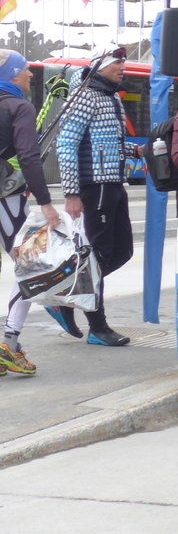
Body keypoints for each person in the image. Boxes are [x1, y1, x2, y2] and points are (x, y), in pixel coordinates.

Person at [53, 45, 142, 347]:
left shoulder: (110, 97)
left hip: (113, 184)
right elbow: (65, 146)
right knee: (99, 255)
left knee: (122, 252)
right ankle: (98, 327)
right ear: (100, 66)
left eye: (123, 62)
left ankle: (66, 296)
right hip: (95, 187)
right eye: (118, 62)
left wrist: (136, 150)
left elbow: (108, 142)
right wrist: (71, 193)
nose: (123, 67)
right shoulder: (84, 96)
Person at [0, 51, 63, 375]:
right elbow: (29, 157)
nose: (31, 75)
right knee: (31, 267)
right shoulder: (18, 107)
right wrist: (46, 202)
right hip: (7, 199)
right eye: (25, 70)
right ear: (12, 74)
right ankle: (10, 343)